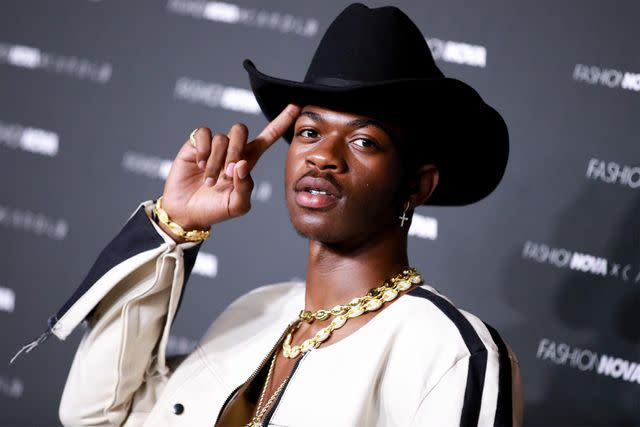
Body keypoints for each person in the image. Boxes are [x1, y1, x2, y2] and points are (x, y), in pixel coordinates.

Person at [15, 3, 522, 426]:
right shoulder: (255, 311)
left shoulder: (452, 351)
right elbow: (96, 415)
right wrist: (174, 226)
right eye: (309, 132)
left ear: (417, 185)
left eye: (365, 140)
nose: (323, 155)